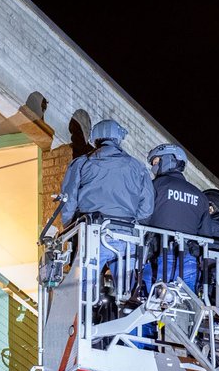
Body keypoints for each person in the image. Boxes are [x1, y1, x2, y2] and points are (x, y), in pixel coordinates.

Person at [57, 118, 153, 322]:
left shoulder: (81, 163)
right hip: (126, 235)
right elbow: (146, 209)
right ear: (118, 139)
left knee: (82, 290)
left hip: (93, 233)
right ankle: (128, 333)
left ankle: (81, 325)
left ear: (96, 139)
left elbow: (68, 201)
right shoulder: (138, 167)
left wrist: (70, 231)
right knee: (128, 294)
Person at [140, 143, 209, 295]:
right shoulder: (200, 196)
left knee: (149, 305)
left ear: (169, 160)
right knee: (185, 309)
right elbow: (206, 235)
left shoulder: (154, 186)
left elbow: (142, 219)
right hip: (189, 261)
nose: (153, 167)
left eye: (156, 162)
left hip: (159, 258)